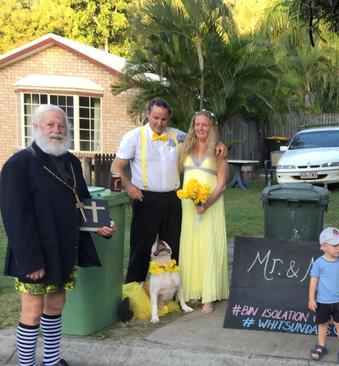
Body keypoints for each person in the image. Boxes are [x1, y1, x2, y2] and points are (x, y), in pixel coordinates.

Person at [0, 105, 116, 366]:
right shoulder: (18, 164)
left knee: (56, 305)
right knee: (31, 312)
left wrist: (102, 226)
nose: (57, 130)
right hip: (34, 254)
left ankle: (51, 361)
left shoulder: (71, 161)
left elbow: (84, 203)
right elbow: (15, 218)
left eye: (61, 125)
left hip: (64, 250)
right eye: (50, 124)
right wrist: (31, 262)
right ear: (36, 128)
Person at [111, 98, 227, 284]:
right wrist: (129, 186)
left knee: (173, 247)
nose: (159, 123)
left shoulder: (178, 136)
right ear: (147, 114)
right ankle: (133, 292)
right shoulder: (133, 137)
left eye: (164, 119)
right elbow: (116, 167)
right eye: (156, 117)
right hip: (145, 198)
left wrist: (220, 143)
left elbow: (200, 134)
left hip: (174, 200)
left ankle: (171, 291)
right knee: (141, 248)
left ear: (168, 119)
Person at [177, 110, 229, 314]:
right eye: (197, 124)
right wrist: (194, 201)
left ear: (211, 127)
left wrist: (205, 204)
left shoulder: (218, 151)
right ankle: (193, 291)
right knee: (191, 245)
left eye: (204, 125)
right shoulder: (186, 149)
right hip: (189, 206)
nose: (200, 128)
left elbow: (222, 184)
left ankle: (209, 295)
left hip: (211, 205)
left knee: (208, 246)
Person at [308, 227, 339, 365]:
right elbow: (313, 282)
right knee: (323, 325)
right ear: (324, 246)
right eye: (335, 245)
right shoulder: (319, 263)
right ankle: (321, 346)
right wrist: (311, 298)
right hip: (323, 302)